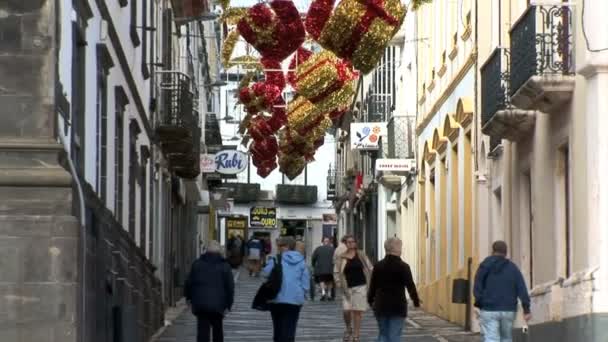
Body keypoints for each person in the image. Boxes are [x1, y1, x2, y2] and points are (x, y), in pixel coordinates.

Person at [474, 241, 531, 342]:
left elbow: (477, 286)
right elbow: (521, 288)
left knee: (491, 338)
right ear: (506, 252)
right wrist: (526, 309)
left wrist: (479, 303)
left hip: (488, 309)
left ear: (492, 251)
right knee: (506, 338)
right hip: (508, 309)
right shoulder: (513, 268)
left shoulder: (484, 266)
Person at [368, 237, 420, 342]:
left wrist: (370, 300)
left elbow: (373, 286)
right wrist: (416, 300)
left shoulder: (378, 266)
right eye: (400, 247)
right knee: (394, 335)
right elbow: (410, 285)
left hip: (381, 305)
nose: (401, 250)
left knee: (383, 334)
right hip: (397, 306)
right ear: (395, 248)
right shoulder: (403, 266)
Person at [184, 241, 235, 342]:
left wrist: (188, 298)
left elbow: (189, 282)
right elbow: (230, 287)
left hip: (201, 304)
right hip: (219, 305)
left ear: (206, 251)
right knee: (218, 331)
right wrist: (229, 305)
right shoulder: (225, 266)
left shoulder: (197, 264)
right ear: (219, 252)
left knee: (202, 332)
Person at [262, 236, 310, 342]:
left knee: (278, 328)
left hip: (276, 299)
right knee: (290, 328)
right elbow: (306, 284)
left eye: (279, 246)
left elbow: (265, 273)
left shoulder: (276, 259)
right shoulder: (301, 261)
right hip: (294, 300)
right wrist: (302, 294)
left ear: (285, 247)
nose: (278, 248)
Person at [335, 235, 373, 342]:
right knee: (346, 310)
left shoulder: (361, 254)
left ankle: (356, 335)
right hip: (347, 288)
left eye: (353, 242)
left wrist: (372, 281)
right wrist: (338, 283)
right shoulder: (342, 257)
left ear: (356, 243)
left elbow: (369, 267)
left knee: (357, 312)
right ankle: (348, 328)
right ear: (345, 244)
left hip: (361, 286)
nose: (351, 244)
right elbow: (337, 272)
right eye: (348, 242)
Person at [312, 237, 336, 301]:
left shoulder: (318, 249)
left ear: (322, 242)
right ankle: (329, 294)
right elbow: (336, 258)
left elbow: (313, 258)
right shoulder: (333, 249)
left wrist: (313, 265)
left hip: (321, 269)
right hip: (330, 269)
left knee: (322, 281)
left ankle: (323, 293)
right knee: (330, 281)